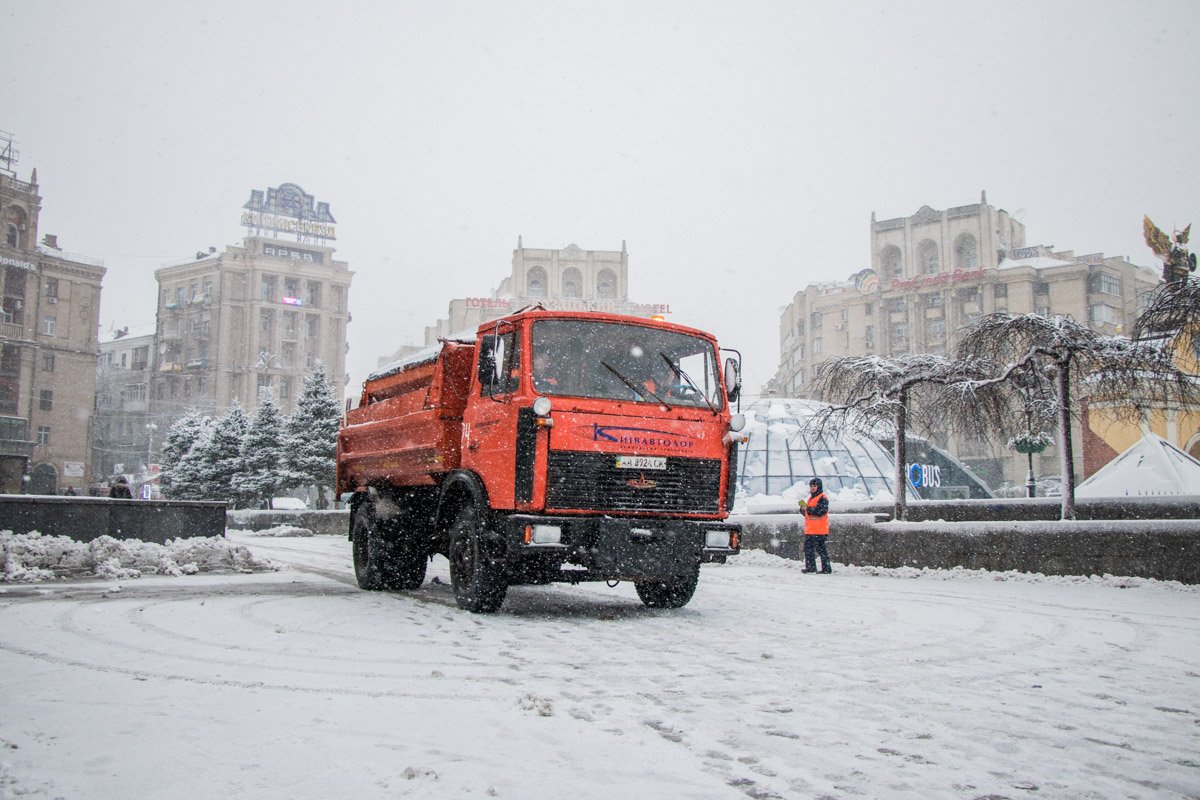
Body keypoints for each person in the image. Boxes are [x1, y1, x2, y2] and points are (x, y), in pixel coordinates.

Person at [800, 477, 831, 574]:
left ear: (819, 486)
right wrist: (803, 510)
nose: (812, 488)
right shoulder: (811, 498)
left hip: (819, 530)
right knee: (808, 550)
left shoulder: (822, 498)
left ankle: (826, 569)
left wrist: (808, 509)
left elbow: (820, 512)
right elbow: (809, 514)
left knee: (821, 550)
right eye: (811, 486)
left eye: (814, 486)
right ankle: (811, 567)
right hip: (810, 530)